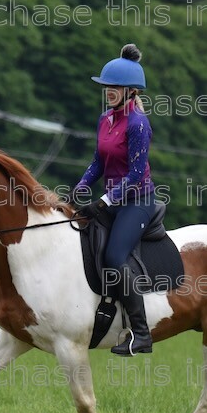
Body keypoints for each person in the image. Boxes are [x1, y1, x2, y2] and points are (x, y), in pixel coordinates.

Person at [73, 43, 156, 356]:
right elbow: (98, 162)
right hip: (112, 199)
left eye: (116, 87)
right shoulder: (105, 119)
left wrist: (104, 201)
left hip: (137, 201)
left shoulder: (138, 124)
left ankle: (141, 334)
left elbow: (135, 175)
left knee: (114, 258)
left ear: (131, 91)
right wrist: (82, 184)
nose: (109, 91)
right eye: (107, 85)